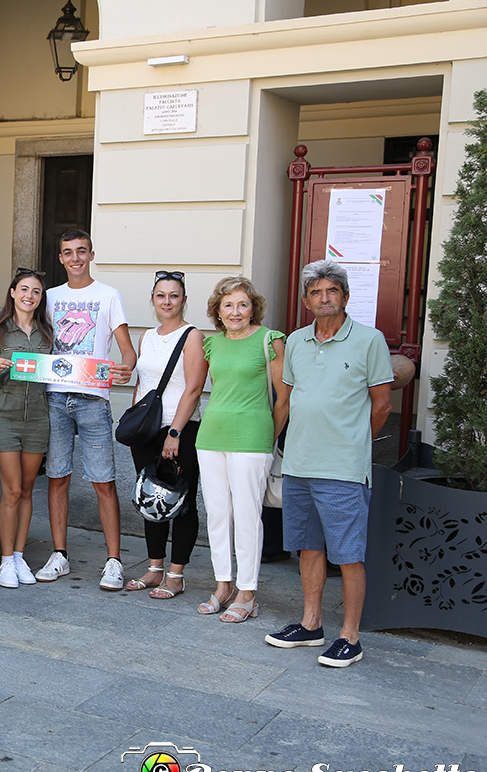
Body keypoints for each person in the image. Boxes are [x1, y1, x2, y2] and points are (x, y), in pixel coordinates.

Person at [266, 259, 392, 668]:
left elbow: (382, 405)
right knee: (308, 547)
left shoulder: (370, 341)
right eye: (316, 292)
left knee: (349, 554)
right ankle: (311, 624)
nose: (324, 298)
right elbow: (284, 400)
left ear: (345, 297)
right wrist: (271, 444)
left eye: (331, 291)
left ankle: (350, 637)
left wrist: (356, 444)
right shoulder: (297, 341)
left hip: (342, 467)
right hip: (299, 463)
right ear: (306, 300)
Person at [34, 230, 136, 589]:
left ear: (92, 254)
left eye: (81, 251)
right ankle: (59, 554)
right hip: (55, 396)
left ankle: (114, 561)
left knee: (103, 481)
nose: (75, 258)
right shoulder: (49, 297)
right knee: (58, 476)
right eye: (67, 252)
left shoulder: (108, 296)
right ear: (60, 258)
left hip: (93, 398)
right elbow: (32, 338)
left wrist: (126, 365)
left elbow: (126, 348)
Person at [195, 276, 286, 623]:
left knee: (248, 516)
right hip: (212, 436)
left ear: (253, 308)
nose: (235, 311)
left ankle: (247, 592)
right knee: (218, 515)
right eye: (228, 305)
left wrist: (268, 438)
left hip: (252, 438)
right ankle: (223, 585)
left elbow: (284, 398)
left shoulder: (270, 340)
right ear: (218, 310)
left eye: (242, 304)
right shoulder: (212, 344)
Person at [123, 271, 207, 600]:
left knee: (181, 503)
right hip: (146, 432)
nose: (167, 301)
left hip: (180, 430)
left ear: (184, 300)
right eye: (161, 295)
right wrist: (133, 426)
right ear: (153, 300)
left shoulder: (192, 336)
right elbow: (143, 385)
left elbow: (194, 388)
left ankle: (176, 574)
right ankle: (154, 568)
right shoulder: (146, 336)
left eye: (174, 296)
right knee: (151, 500)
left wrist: (175, 432)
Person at [0, 269, 55, 588]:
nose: (29, 296)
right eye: (24, 289)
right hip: (4, 416)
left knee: (26, 490)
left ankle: (20, 556)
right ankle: (6, 561)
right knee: (11, 490)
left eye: (36, 291)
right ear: (12, 292)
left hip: (38, 416)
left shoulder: (47, 334)